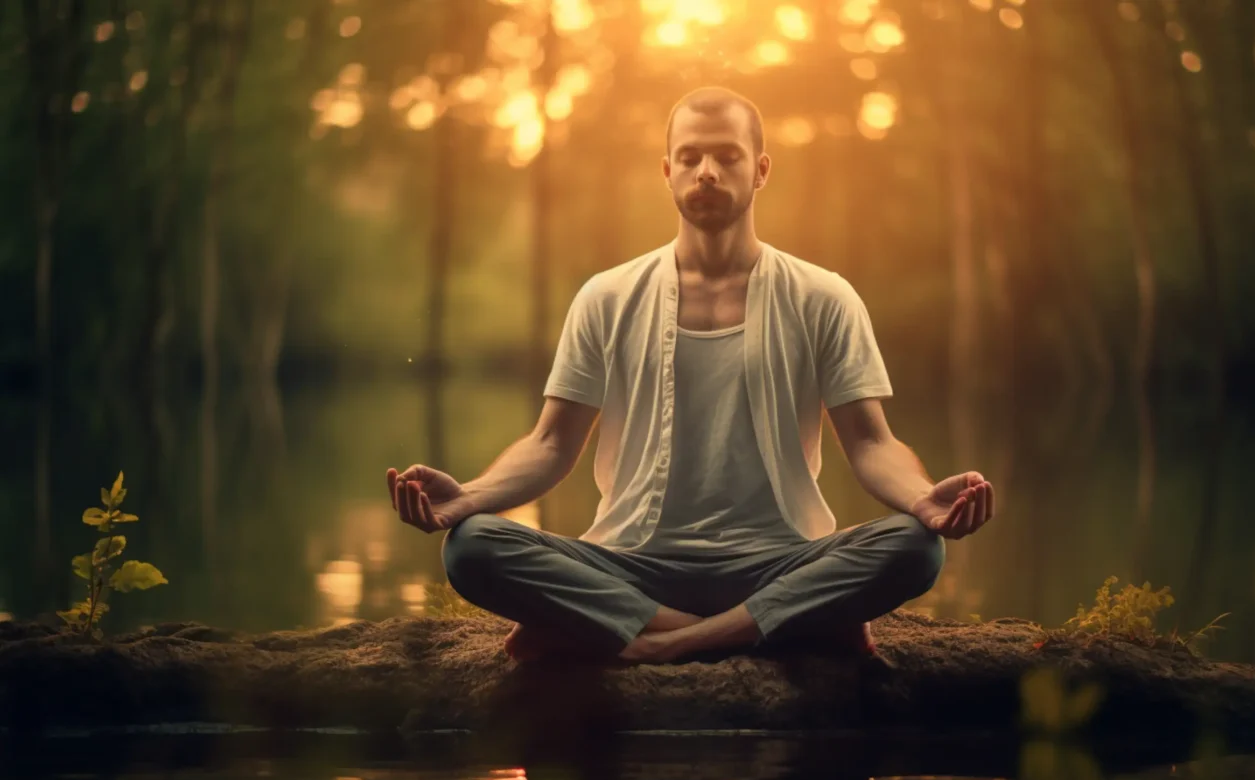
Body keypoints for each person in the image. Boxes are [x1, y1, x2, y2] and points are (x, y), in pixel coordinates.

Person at [386, 86, 995, 665]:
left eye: (727, 156)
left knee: (915, 547)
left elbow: (870, 443)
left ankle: (648, 640)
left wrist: (922, 501)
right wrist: (468, 498)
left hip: (779, 561)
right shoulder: (607, 296)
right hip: (628, 564)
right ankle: (762, 628)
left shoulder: (824, 297)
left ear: (760, 170)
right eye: (690, 156)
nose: (707, 170)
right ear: (668, 171)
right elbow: (550, 445)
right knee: (473, 546)